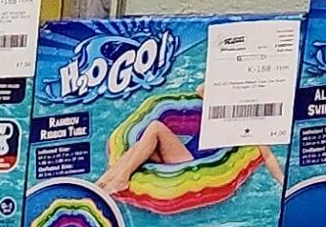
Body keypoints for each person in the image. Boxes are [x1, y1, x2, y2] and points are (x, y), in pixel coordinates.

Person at [96, 83, 284, 195]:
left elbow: (267, 156)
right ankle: (103, 182)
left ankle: (121, 179)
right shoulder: (220, 110)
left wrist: (283, 181)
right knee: (139, 145)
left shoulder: (247, 127)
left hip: (189, 161)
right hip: (184, 152)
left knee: (155, 128)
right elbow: (201, 89)